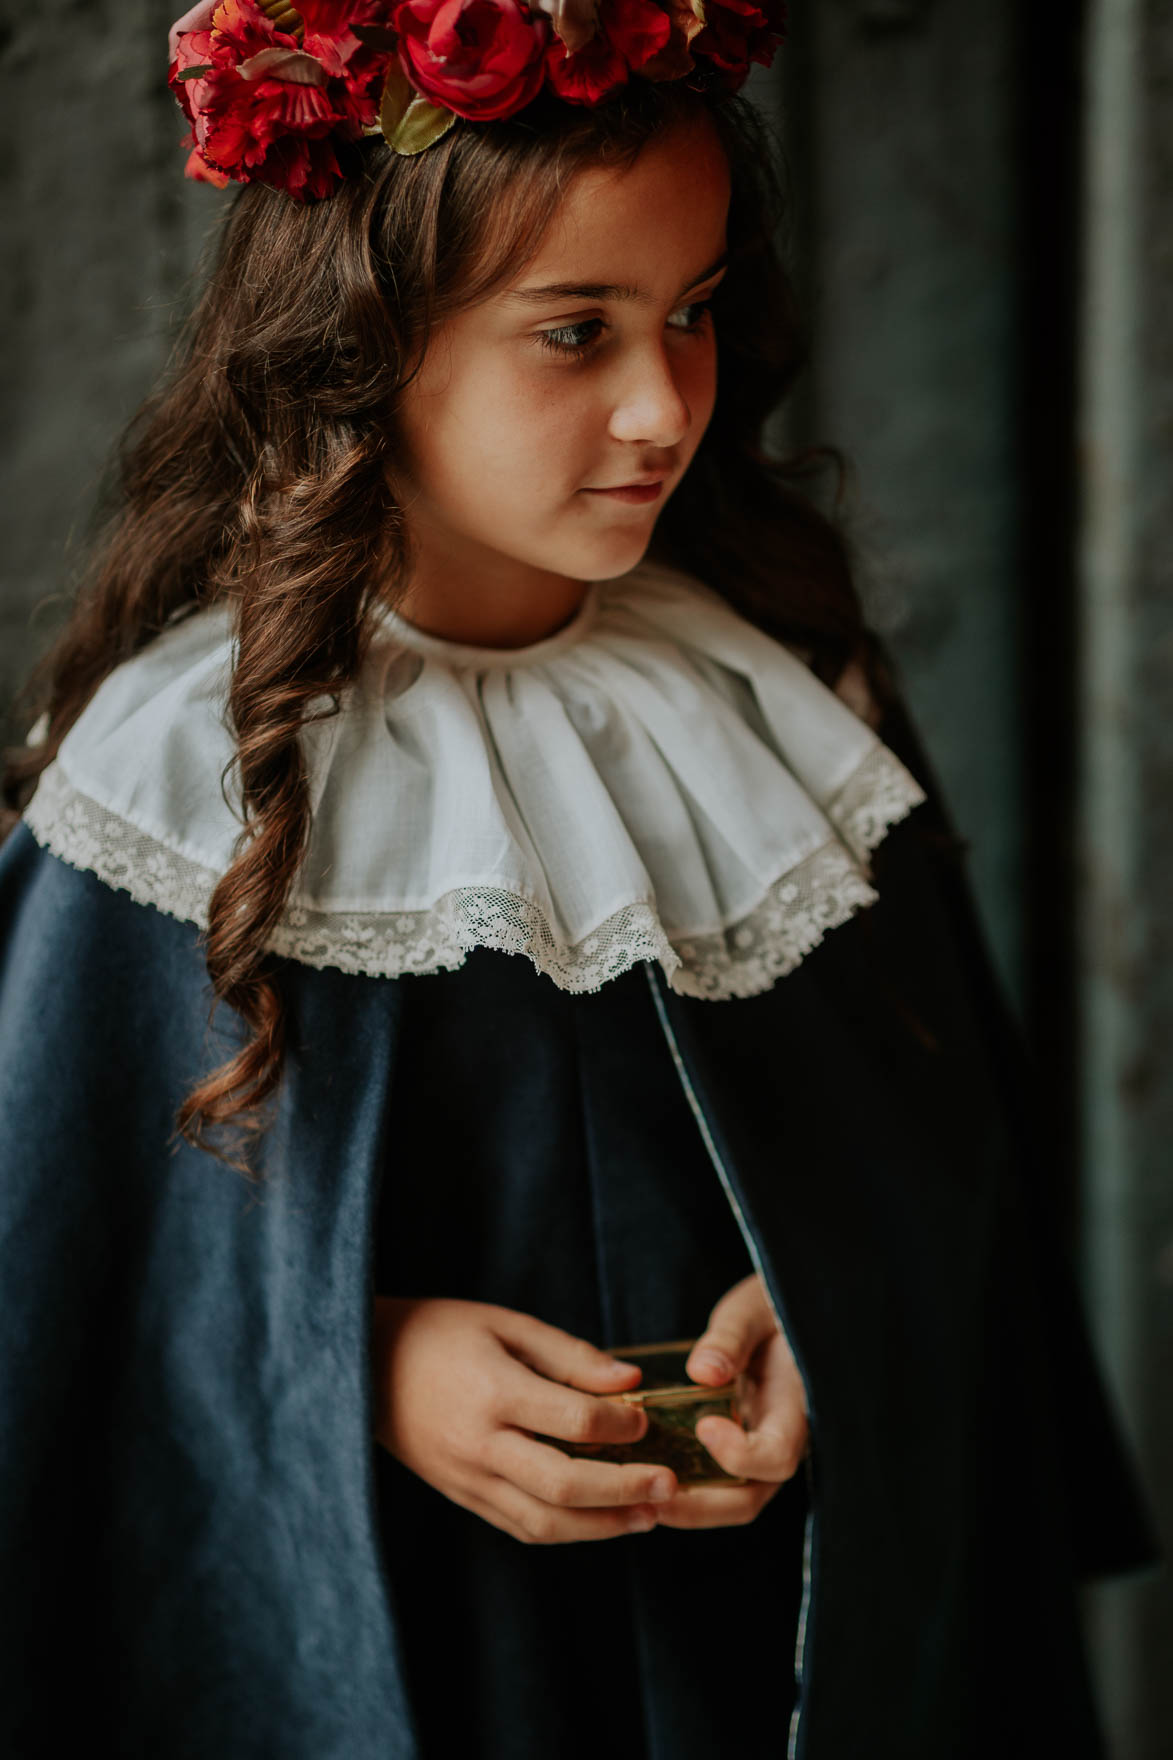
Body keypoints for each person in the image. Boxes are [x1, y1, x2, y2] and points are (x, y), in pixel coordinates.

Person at [0, 3, 1157, 1756]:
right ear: (364, 343)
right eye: (572, 332)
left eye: (688, 313)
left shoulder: (777, 691)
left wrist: (825, 1304)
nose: (658, 404)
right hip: (418, 1648)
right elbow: (58, 1294)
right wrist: (363, 1372)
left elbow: (955, 1162)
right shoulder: (176, 780)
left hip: (761, 1630)